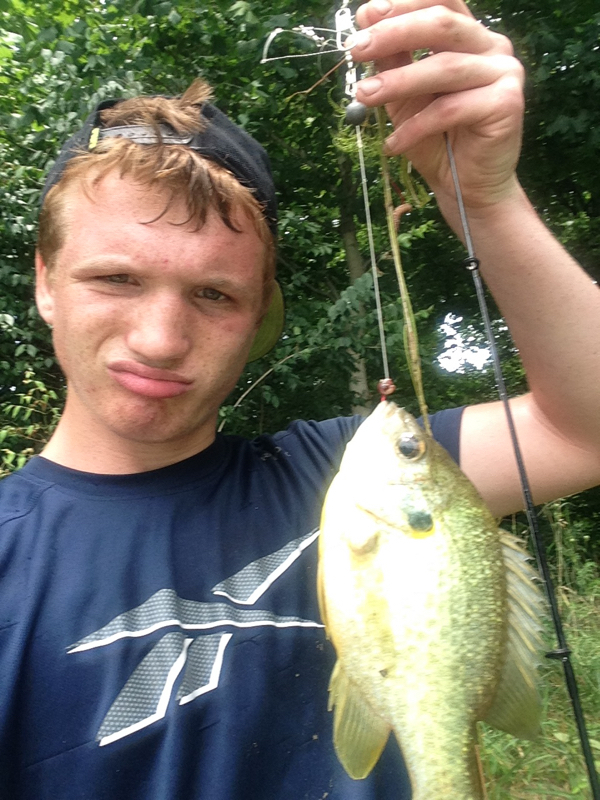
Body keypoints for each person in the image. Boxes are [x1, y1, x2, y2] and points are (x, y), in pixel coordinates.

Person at [1, 0, 599, 797]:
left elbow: (585, 428)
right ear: (45, 283)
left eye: (214, 294)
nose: (160, 339)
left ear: (259, 318)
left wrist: (485, 200)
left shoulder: (343, 477)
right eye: (115, 278)